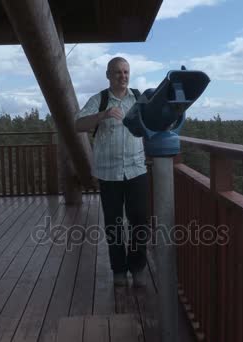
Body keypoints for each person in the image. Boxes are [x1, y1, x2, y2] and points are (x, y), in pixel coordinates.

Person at [75, 57, 149, 287]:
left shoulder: (139, 98)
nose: (123, 76)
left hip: (137, 169)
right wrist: (103, 115)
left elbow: (154, 121)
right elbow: (78, 124)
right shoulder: (100, 99)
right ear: (108, 75)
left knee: (140, 222)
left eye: (126, 72)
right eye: (117, 72)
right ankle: (119, 270)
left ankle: (137, 267)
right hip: (109, 173)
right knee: (114, 224)